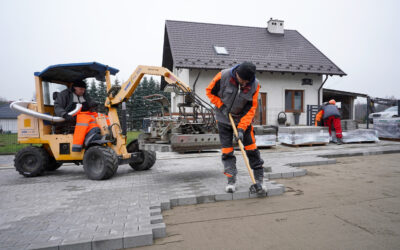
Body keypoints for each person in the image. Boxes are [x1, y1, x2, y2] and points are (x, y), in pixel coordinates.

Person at [206, 62, 266, 193]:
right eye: (241, 80)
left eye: (246, 81)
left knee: (252, 149)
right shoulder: (223, 76)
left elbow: (251, 109)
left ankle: (259, 180)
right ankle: (231, 180)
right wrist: (221, 106)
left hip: (242, 120)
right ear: (237, 73)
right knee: (227, 152)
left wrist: (241, 129)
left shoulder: (255, 85)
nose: (244, 83)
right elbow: (209, 92)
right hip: (223, 119)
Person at [54, 81, 105, 152]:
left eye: (84, 90)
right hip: (69, 118)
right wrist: (64, 114)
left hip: (83, 115)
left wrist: (94, 105)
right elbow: (57, 107)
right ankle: (87, 139)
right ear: (75, 88)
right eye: (81, 89)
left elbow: (90, 103)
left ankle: (105, 132)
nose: (83, 91)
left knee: (101, 116)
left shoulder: (84, 95)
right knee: (85, 120)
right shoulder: (64, 95)